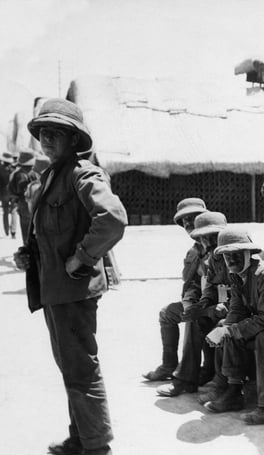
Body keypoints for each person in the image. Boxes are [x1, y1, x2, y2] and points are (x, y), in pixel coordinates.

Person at [13, 98, 127, 455]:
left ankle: (96, 447)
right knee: (71, 369)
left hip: (73, 291)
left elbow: (112, 219)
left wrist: (82, 256)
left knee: (81, 371)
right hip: (54, 291)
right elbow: (48, 233)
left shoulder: (82, 174)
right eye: (43, 132)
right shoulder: (50, 178)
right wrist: (27, 255)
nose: (47, 139)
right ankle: (81, 438)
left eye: (57, 133)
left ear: (74, 140)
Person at [203, 227, 264, 426]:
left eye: (236, 254)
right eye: (226, 255)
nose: (231, 260)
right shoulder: (236, 275)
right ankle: (233, 391)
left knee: (262, 336)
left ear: (248, 253)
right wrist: (225, 329)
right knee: (226, 326)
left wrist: (231, 330)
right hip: (261, 322)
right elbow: (237, 309)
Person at [156, 211, 230, 396]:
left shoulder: (233, 254)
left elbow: (241, 295)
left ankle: (190, 378)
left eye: (213, 237)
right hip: (214, 306)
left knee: (198, 319)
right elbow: (199, 287)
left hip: (234, 311)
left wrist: (208, 308)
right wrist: (197, 306)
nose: (208, 242)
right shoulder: (205, 257)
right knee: (190, 316)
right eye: (203, 238)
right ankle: (183, 377)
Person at [142, 197, 208, 381]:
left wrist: (197, 306)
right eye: (184, 221)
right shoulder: (194, 251)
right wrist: (189, 301)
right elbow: (191, 284)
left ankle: (186, 376)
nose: (188, 223)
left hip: (219, 305)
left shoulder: (218, 243)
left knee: (193, 317)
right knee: (167, 313)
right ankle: (168, 365)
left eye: (192, 217)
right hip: (200, 302)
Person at [8, 148, 38, 242]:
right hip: (28, 203)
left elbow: (15, 190)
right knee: (31, 231)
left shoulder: (18, 173)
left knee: (27, 230)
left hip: (24, 204)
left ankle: (28, 249)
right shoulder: (28, 173)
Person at [0, 151, 17, 238]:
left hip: (3, 193)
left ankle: (6, 231)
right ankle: (13, 232)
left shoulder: (0, 169)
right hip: (13, 192)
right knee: (14, 211)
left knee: (5, 212)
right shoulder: (14, 169)